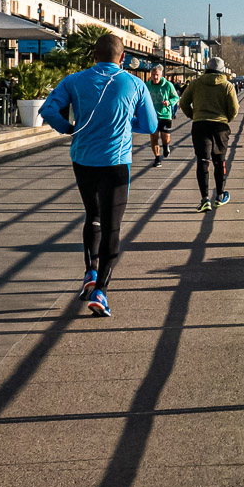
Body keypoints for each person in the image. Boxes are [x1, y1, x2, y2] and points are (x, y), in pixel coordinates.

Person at [40, 32, 158, 318]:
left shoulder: (73, 80)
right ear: (123, 58)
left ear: (94, 55)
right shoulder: (134, 83)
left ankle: (89, 273)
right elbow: (151, 123)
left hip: (83, 160)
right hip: (116, 162)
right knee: (112, 226)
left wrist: (67, 128)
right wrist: (128, 126)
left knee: (92, 216)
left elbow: (47, 109)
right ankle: (101, 291)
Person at [179, 56, 240, 213]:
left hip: (200, 125)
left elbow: (183, 102)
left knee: (203, 161)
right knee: (219, 162)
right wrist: (226, 119)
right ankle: (219, 196)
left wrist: (194, 116)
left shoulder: (195, 84)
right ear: (222, 69)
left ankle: (205, 199)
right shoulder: (227, 86)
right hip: (220, 127)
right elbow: (234, 109)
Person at [143, 65, 179, 165]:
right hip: (152, 116)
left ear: (161, 75)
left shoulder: (168, 85)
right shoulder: (147, 85)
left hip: (165, 115)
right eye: (153, 75)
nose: (155, 77)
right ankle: (157, 158)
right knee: (153, 137)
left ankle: (166, 146)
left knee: (165, 137)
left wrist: (169, 102)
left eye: (157, 75)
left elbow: (176, 97)